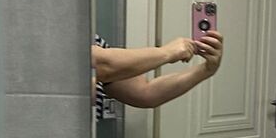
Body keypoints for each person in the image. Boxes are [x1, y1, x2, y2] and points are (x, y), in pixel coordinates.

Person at [91, 31, 223, 119]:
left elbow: (145, 92)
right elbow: (101, 64)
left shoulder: (93, 39)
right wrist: (168, 52)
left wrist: (206, 69)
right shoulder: (78, 40)